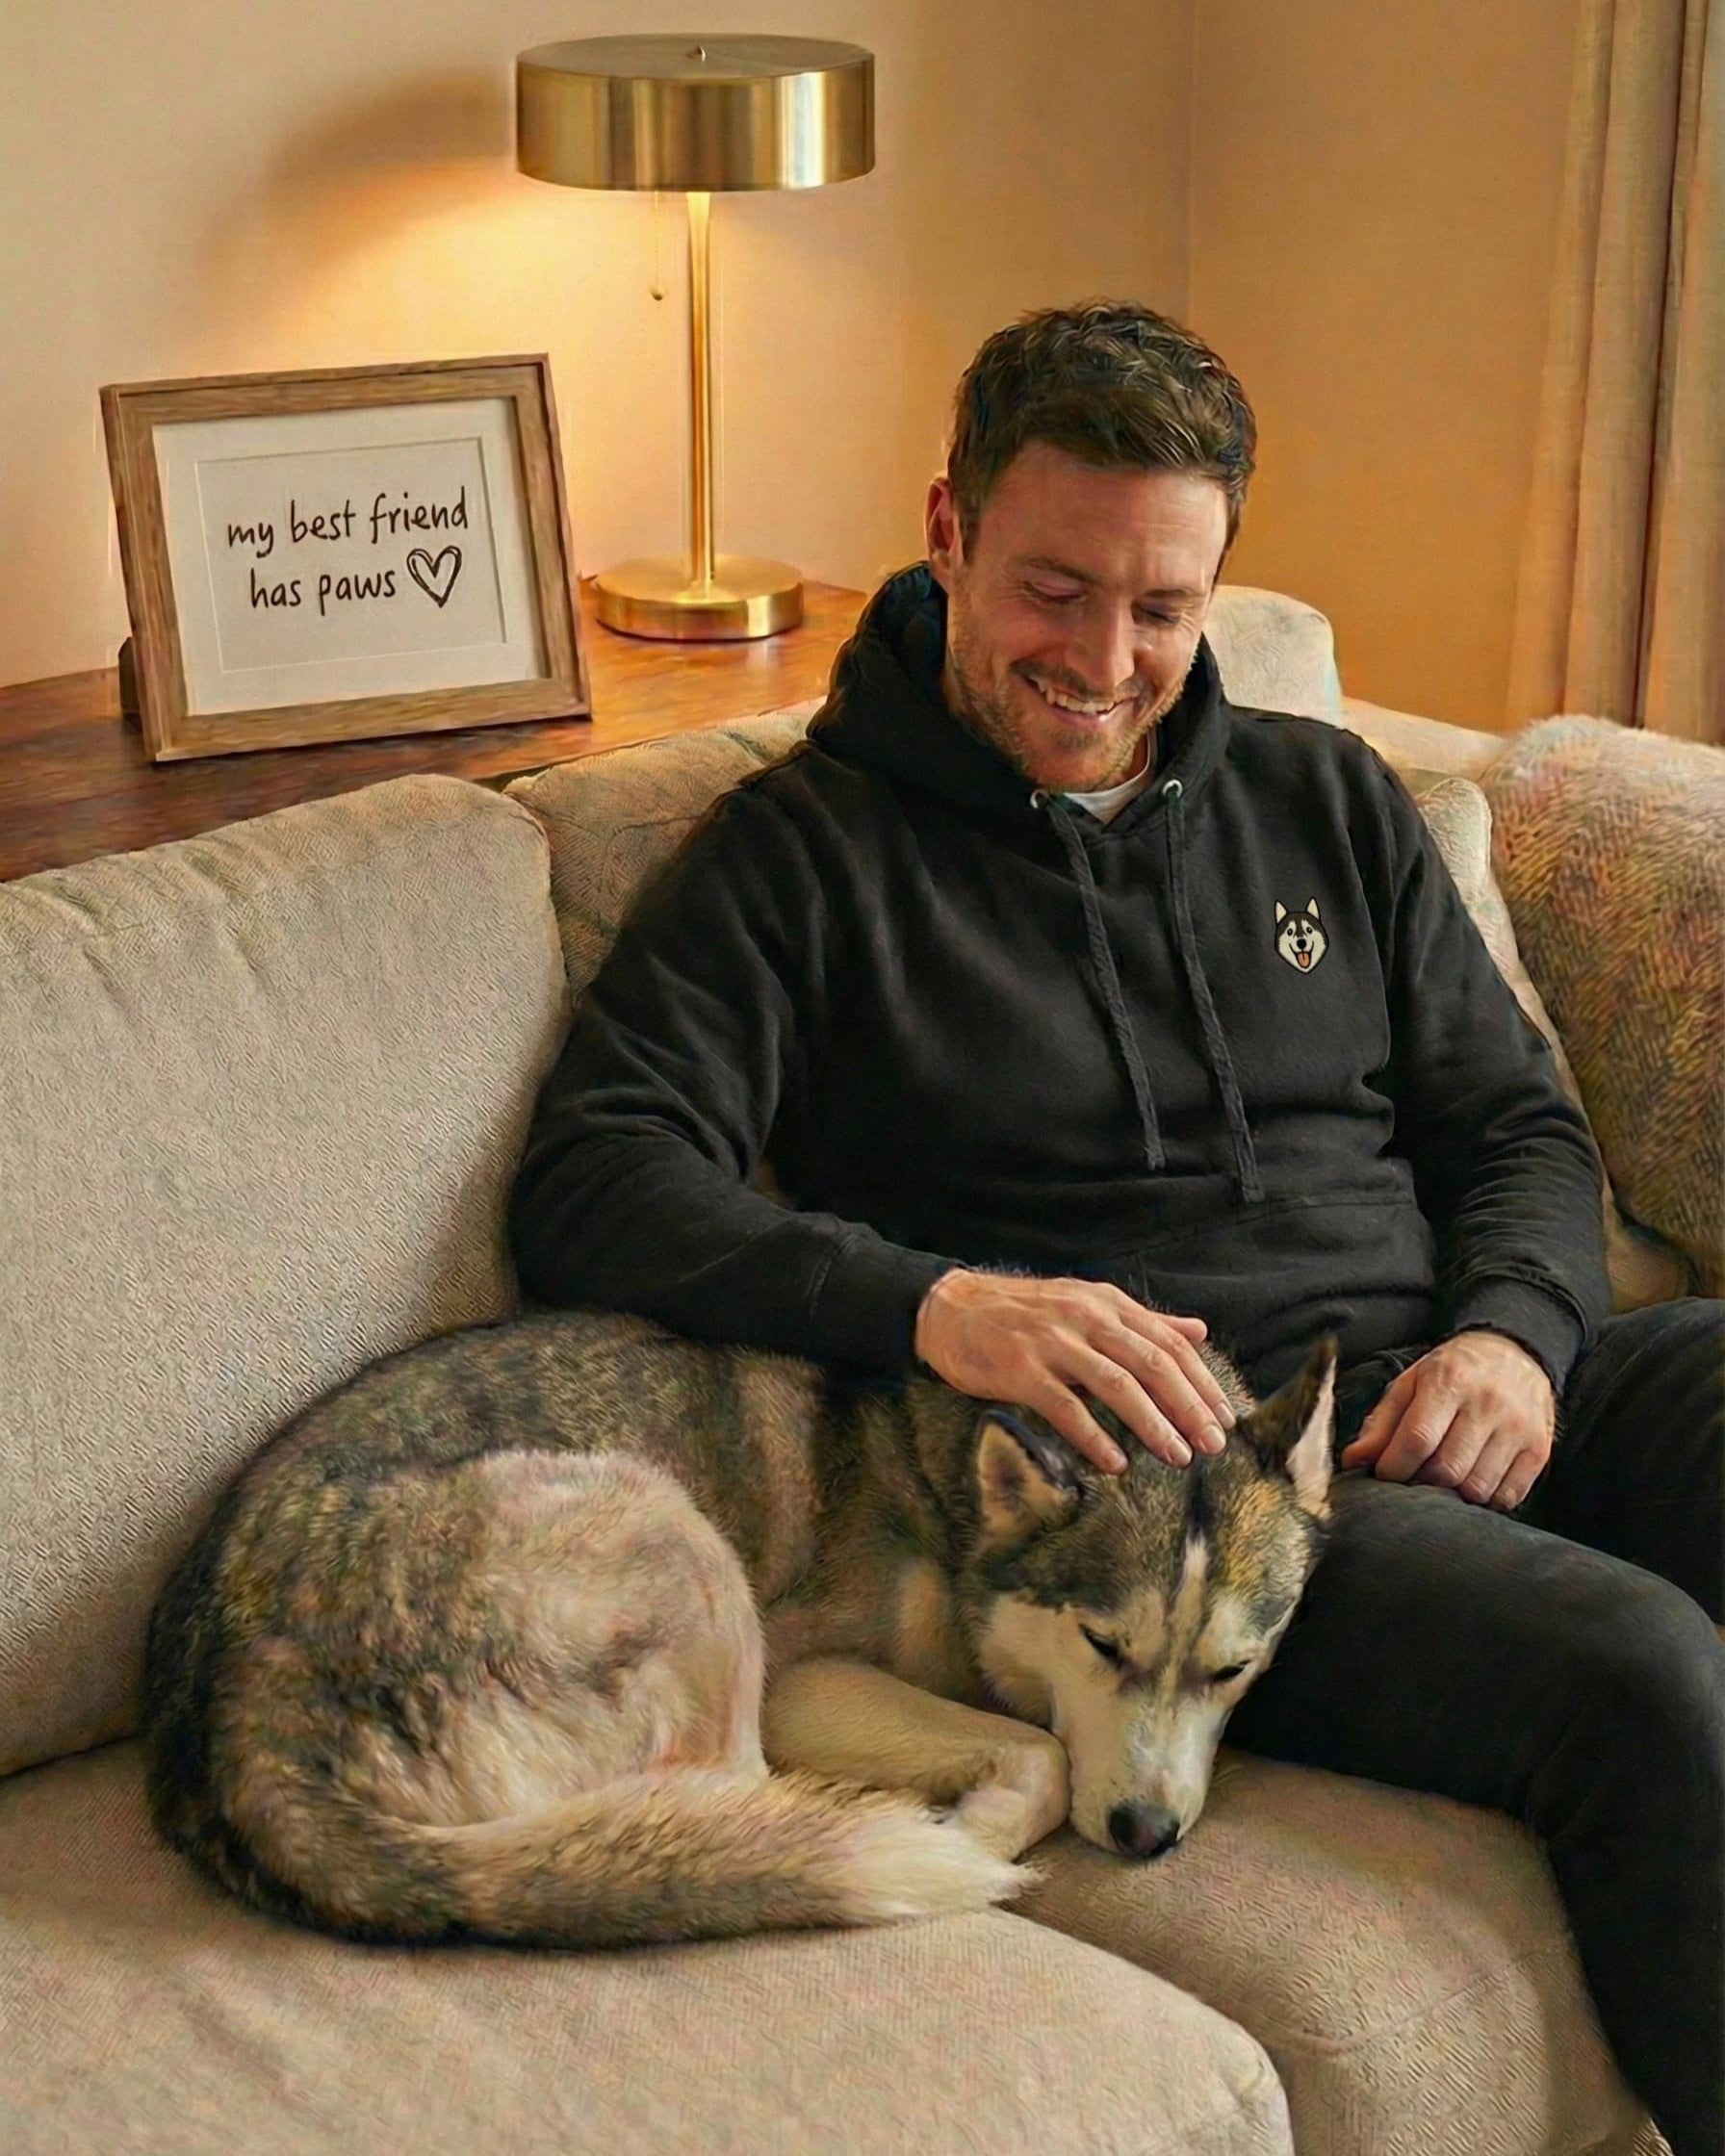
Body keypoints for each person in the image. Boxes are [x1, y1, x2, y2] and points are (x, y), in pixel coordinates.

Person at [509, 301, 1724, 2155]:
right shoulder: (805, 860)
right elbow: (596, 1172)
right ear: (947, 534)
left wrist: (1519, 1334)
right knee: (1643, 1679)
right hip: (1192, 1515)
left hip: (1455, 1385)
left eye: (1163, 608)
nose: (1106, 659)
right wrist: (937, 1307)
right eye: (1054, 591)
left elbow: (1513, 1123)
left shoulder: (1323, 799)